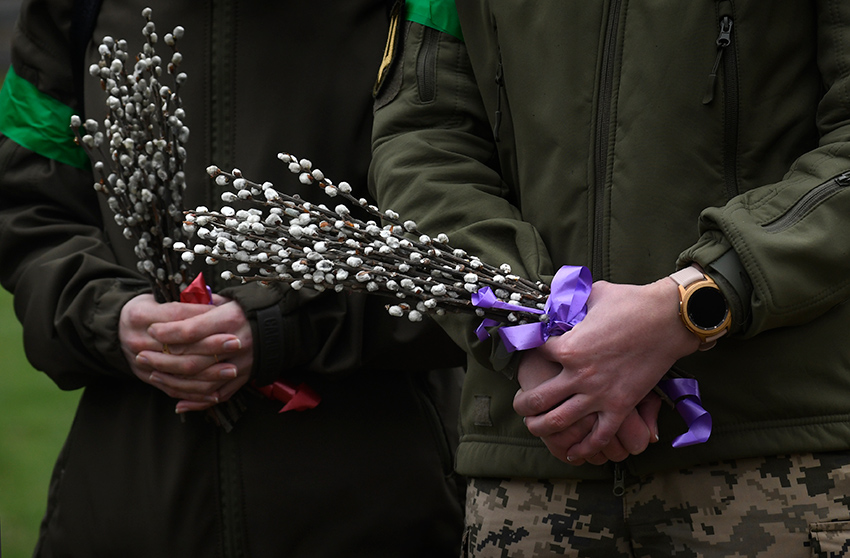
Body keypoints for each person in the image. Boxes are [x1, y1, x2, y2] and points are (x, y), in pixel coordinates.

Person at [369, 0, 850, 556]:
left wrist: (699, 300)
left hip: (779, 467)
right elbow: (423, 139)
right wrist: (528, 327)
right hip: (533, 476)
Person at [0, 1, 467, 556]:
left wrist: (285, 322)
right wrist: (111, 314)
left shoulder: (428, 7)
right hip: (124, 507)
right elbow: (27, 202)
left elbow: (471, 242)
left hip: (377, 508)